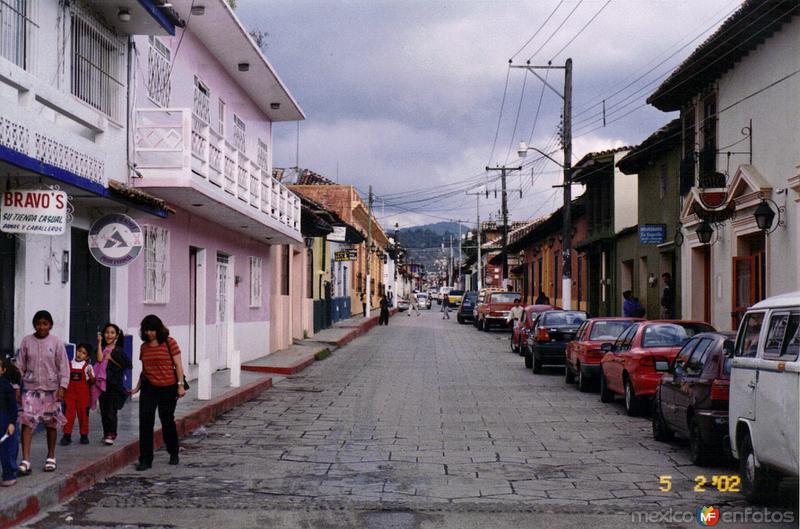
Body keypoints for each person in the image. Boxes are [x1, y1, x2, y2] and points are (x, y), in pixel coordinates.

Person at [16, 310, 69, 475]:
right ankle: (25, 460)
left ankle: (51, 457)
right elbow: (19, 366)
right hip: (31, 391)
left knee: (51, 424)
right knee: (26, 424)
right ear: (34, 325)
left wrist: (62, 387)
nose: (41, 327)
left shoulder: (56, 343)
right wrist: (17, 388)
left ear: (50, 325)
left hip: (51, 391)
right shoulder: (26, 342)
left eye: (45, 324)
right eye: (38, 324)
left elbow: (63, 367)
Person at [131, 315, 186, 471]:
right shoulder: (144, 347)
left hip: (168, 387)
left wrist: (180, 386)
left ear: (159, 329)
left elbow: (178, 366)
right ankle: (145, 459)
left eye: (152, 330)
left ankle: (173, 451)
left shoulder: (170, 343)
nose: (149, 333)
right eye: (146, 330)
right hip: (149, 387)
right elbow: (145, 370)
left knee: (167, 420)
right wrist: (137, 387)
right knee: (145, 422)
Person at [92, 323, 132, 446]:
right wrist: (99, 343)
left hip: (114, 384)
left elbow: (128, 365)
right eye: (107, 332)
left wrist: (112, 358)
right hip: (102, 383)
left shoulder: (118, 350)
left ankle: (111, 433)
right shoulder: (102, 348)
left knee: (111, 410)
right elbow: (99, 359)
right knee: (104, 409)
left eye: (112, 333)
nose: (109, 335)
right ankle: (106, 433)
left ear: (116, 335)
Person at [60, 344, 94, 446]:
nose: (80, 354)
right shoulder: (68, 364)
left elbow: (92, 381)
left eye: (83, 353)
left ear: (87, 357)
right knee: (68, 415)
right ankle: (67, 435)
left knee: (83, 415)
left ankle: (84, 435)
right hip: (69, 395)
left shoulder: (88, 367)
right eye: (79, 351)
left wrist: (90, 375)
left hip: (83, 396)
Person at [0, 354, 20, 487]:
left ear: (3, 370)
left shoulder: (6, 386)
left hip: (4, 419)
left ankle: (9, 473)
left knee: (7, 449)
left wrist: (12, 422)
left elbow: (13, 407)